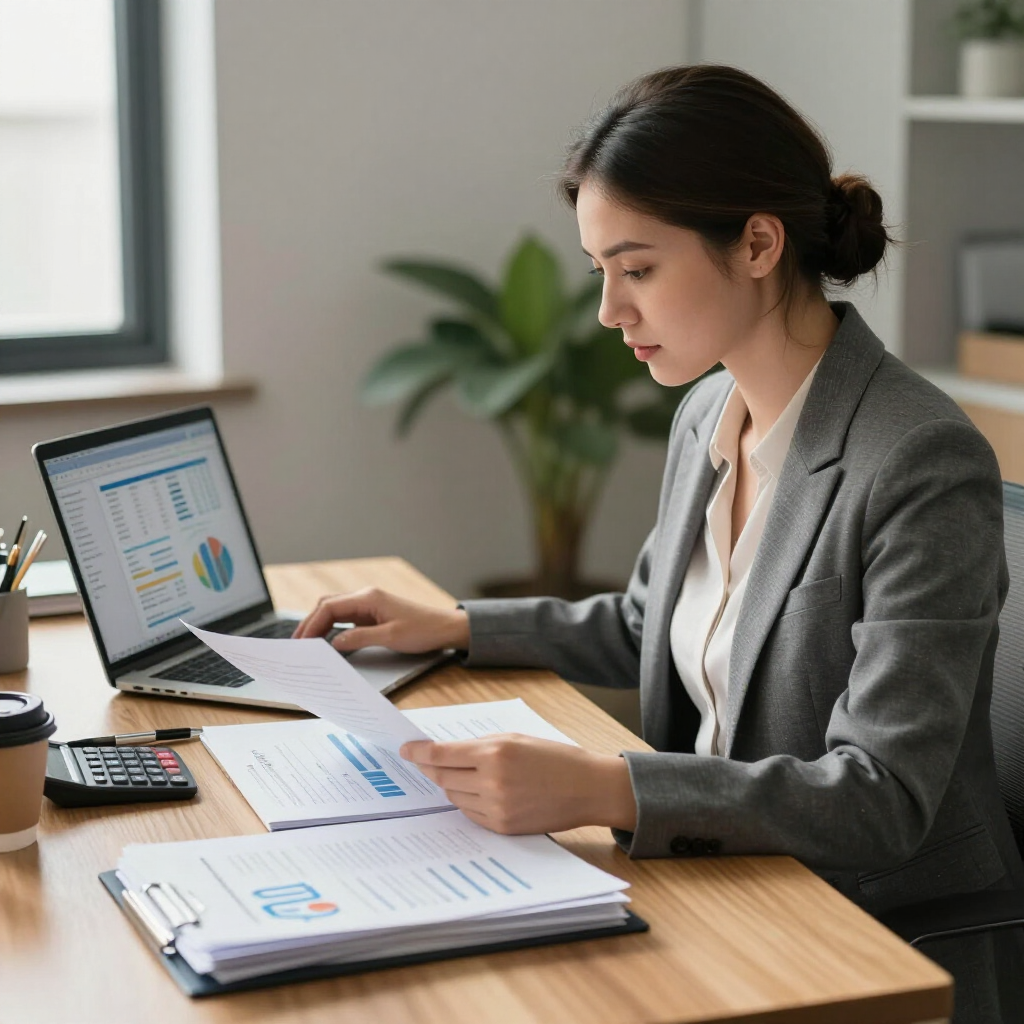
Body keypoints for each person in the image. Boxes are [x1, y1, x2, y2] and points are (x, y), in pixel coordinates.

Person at [295, 65, 1024, 1022]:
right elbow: (653, 620)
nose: (608, 311)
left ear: (759, 243)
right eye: (602, 271)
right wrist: (457, 624)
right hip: (725, 888)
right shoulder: (711, 409)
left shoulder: (918, 460)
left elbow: (880, 796)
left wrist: (608, 788)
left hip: (876, 937)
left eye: (636, 268)